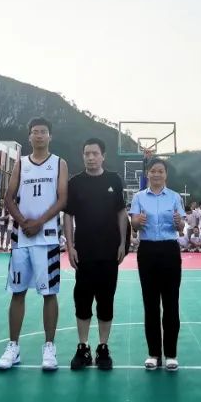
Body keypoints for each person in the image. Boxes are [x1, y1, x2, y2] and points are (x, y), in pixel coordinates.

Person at [0, 118, 69, 371]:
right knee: (18, 292)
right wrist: (23, 221)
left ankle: (49, 347)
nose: (39, 135)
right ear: (29, 137)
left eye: (43, 132)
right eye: (35, 132)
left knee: (49, 293)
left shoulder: (59, 163)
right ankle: (13, 346)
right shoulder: (21, 163)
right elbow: (9, 197)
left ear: (50, 136)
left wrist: (39, 221)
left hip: (47, 237)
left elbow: (62, 199)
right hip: (22, 238)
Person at [63, 137, 127, 371]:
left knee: (106, 300)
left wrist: (123, 243)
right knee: (82, 300)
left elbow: (121, 213)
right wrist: (70, 246)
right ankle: (83, 347)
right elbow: (68, 215)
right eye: (87, 154)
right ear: (83, 156)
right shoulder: (75, 183)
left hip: (109, 252)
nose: (90, 157)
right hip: (84, 252)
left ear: (103, 156)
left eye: (95, 153)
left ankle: (102, 347)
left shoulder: (114, 180)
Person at [131, 158, 186, 371]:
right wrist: (136, 222)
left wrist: (179, 223)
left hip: (169, 250)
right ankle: (154, 353)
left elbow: (181, 225)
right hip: (147, 251)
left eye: (160, 171)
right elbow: (134, 223)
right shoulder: (138, 197)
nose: (156, 174)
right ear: (147, 174)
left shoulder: (174, 197)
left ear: (166, 174)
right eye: (153, 171)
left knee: (171, 303)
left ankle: (171, 354)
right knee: (151, 304)